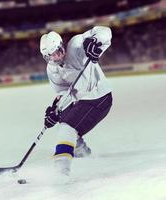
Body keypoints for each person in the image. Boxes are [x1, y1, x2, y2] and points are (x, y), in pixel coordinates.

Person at [40, 26, 113, 179]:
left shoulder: (76, 46)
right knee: (63, 118)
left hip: (99, 97)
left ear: (62, 46)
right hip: (83, 100)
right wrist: (55, 110)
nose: (55, 58)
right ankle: (81, 150)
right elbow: (63, 92)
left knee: (67, 128)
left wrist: (94, 41)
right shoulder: (52, 69)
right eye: (50, 56)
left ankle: (61, 171)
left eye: (57, 52)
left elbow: (104, 32)